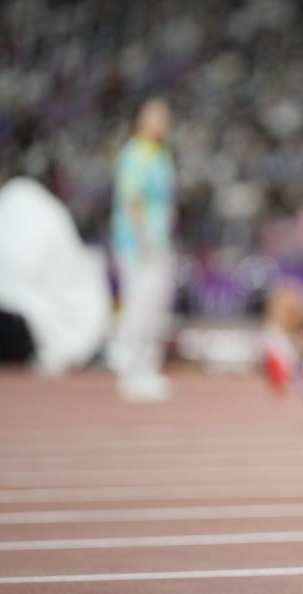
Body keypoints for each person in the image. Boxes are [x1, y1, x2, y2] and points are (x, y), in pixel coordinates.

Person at [108, 98, 177, 402]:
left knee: (156, 303)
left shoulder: (160, 154)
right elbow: (131, 198)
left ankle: (146, 365)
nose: (163, 122)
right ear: (140, 120)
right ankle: (129, 365)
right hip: (137, 244)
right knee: (139, 301)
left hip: (158, 241)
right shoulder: (135, 153)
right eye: (156, 117)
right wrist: (143, 238)